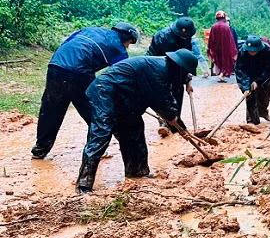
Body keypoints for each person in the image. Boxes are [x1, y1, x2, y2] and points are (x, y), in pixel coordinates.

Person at [76, 49, 197, 194]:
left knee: (134, 131)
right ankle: (84, 185)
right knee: (101, 133)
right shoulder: (157, 71)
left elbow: (168, 99)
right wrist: (172, 118)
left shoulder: (167, 69)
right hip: (105, 93)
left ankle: (137, 172)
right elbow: (162, 103)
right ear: (179, 69)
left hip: (125, 98)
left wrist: (178, 123)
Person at [31, 24, 139, 159]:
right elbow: (121, 74)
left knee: (51, 108)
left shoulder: (90, 30)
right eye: (129, 43)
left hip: (56, 65)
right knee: (95, 112)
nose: (128, 46)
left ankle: (40, 149)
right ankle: (95, 149)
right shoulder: (119, 49)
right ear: (126, 37)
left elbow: (66, 43)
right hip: (79, 72)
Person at [147, 17, 196, 131]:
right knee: (163, 94)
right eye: (182, 35)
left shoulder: (187, 37)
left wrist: (188, 80)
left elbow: (187, 58)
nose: (184, 38)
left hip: (177, 68)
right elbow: (153, 57)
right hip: (160, 66)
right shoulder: (162, 37)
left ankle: (175, 121)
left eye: (186, 36)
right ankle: (164, 122)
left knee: (178, 93)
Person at [234, 35, 270, 124]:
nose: (252, 52)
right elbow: (240, 70)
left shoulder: (267, 51)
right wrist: (245, 86)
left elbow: (268, 69)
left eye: (254, 51)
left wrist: (258, 81)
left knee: (264, 96)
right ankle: (252, 121)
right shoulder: (242, 52)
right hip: (248, 74)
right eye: (250, 50)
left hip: (263, 76)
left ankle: (263, 112)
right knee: (250, 97)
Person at [207, 11, 238, 82]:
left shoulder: (214, 26)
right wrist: (233, 48)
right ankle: (222, 74)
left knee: (218, 60)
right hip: (226, 48)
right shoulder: (226, 26)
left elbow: (211, 38)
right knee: (226, 61)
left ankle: (220, 74)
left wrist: (210, 47)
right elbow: (230, 39)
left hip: (216, 47)